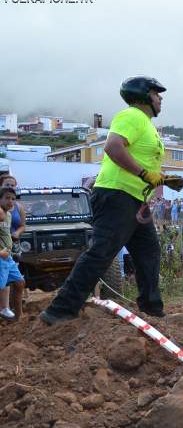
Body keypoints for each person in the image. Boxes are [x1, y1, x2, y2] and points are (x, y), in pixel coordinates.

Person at [40, 75, 169, 325]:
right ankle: (60, 310)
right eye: (156, 93)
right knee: (101, 252)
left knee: (149, 253)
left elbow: (138, 157)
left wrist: (155, 176)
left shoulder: (144, 123)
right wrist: (143, 173)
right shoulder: (132, 116)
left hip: (133, 199)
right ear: (144, 97)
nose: (160, 98)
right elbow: (113, 146)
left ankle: (152, 310)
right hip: (117, 195)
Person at [0, 185, 24, 321]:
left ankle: (18, 319)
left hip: (8, 257)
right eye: (7, 198)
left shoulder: (8, 215)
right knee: (1, 286)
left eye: (13, 199)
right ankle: (4, 310)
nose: (10, 201)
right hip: (1, 256)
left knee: (19, 282)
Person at [1, 176, 25, 260]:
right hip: (1, 248)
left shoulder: (19, 206)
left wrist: (17, 233)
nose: (10, 187)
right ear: (1, 186)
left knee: (15, 269)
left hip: (14, 245)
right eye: (7, 185)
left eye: (12, 185)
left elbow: (23, 226)